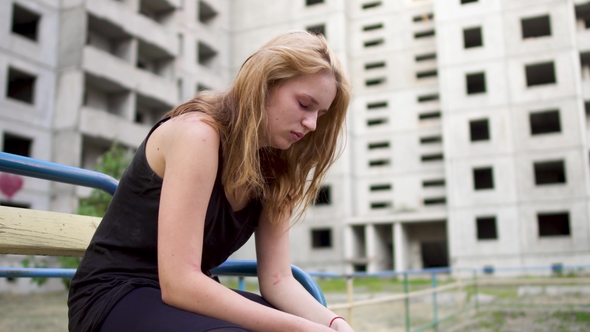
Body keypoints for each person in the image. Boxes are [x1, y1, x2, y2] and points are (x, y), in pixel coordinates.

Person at [68, 30, 353, 332]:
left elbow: (278, 280)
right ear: (264, 84)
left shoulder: (277, 167)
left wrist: (334, 323)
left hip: (182, 299)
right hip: (115, 296)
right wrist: (303, 329)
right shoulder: (198, 134)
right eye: (305, 104)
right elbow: (179, 282)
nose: (312, 124)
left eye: (321, 113)